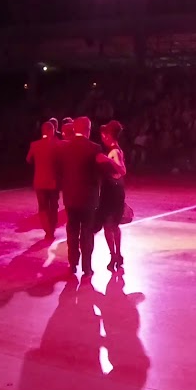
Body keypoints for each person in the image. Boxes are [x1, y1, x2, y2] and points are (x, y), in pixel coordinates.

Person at [55, 116, 103, 275]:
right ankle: (87, 267)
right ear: (88, 129)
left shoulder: (64, 147)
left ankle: (72, 263)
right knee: (87, 232)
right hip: (88, 198)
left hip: (70, 197)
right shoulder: (94, 148)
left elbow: (60, 172)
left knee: (72, 230)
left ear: (74, 129)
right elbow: (98, 174)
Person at [96, 120, 129, 271]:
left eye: (104, 135)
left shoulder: (114, 152)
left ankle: (114, 255)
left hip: (112, 191)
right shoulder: (117, 150)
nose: (103, 138)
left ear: (108, 135)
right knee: (114, 226)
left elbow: (122, 171)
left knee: (109, 226)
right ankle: (117, 254)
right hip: (116, 190)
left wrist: (107, 159)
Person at [25, 120, 62, 238]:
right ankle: (52, 228)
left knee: (43, 207)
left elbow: (28, 159)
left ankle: (47, 230)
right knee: (53, 206)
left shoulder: (34, 145)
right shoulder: (57, 144)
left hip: (39, 181)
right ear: (53, 131)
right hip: (53, 181)